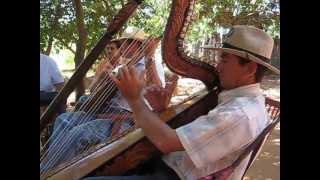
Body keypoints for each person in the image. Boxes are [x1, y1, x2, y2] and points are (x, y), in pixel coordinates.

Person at [86, 25, 280, 180]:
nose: (217, 66)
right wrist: (161, 109)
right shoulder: (238, 100)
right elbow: (188, 137)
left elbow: (167, 142)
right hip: (166, 166)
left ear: (250, 68)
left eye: (224, 59)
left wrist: (135, 100)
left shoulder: (241, 114)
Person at [40, 29, 167, 173]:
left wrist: (150, 57)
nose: (121, 47)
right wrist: (100, 77)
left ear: (136, 45)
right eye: (120, 43)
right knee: (63, 120)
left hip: (128, 119)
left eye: (124, 43)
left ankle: (48, 173)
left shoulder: (150, 64)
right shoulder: (123, 66)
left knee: (78, 134)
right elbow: (96, 94)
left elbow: (157, 90)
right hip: (105, 112)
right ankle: (52, 168)